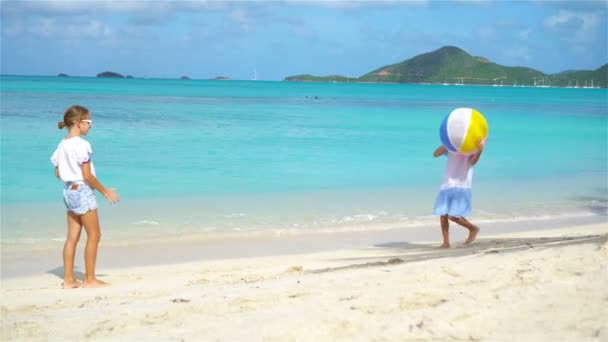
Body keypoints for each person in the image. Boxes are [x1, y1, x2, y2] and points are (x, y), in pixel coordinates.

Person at [50, 105, 120, 288]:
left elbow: (58, 173)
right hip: (82, 191)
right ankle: (90, 279)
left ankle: (68, 280)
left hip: (68, 191)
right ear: (78, 123)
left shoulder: (62, 144)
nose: (91, 126)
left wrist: (71, 178)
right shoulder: (82, 145)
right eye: (89, 122)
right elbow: (87, 175)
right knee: (94, 235)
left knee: (72, 237)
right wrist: (105, 191)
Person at [432, 139, 485, 248]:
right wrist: (446, 144)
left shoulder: (471, 149)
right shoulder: (451, 149)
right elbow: (435, 154)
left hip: (462, 185)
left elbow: (472, 162)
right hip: (447, 184)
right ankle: (446, 242)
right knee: (443, 215)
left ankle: (473, 228)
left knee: (453, 216)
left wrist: (480, 149)